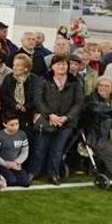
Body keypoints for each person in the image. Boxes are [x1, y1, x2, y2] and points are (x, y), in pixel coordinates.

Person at [30, 54, 83, 185]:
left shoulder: (75, 82)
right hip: (47, 120)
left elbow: (79, 103)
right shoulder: (43, 80)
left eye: (64, 64)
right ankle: (34, 172)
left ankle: (53, 174)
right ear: (52, 66)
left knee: (58, 149)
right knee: (40, 148)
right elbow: (38, 100)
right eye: (58, 64)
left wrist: (66, 117)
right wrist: (50, 115)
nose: (62, 66)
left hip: (67, 122)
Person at [0, 53, 40, 132]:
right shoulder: (8, 78)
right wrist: (15, 105)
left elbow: (37, 97)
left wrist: (26, 106)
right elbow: (4, 96)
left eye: (18, 65)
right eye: (14, 65)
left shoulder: (34, 80)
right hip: (11, 115)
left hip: (28, 115)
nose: (14, 68)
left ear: (26, 68)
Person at [0, 113, 32, 188]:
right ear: (4, 124)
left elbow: (25, 151)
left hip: (15, 164)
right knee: (11, 181)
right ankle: (0, 176)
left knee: (26, 183)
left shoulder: (22, 134)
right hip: (2, 164)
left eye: (17, 124)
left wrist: (17, 162)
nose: (15, 127)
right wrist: (6, 164)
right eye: (12, 125)